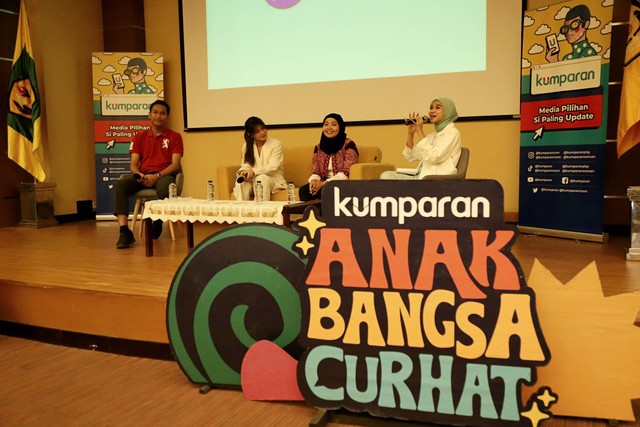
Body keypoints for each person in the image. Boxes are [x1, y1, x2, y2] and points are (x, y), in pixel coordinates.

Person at [113, 100, 184, 249]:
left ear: (167, 117)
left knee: (166, 186)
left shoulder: (175, 137)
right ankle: (124, 231)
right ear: (149, 115)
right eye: (155, 112)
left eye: (163, 113)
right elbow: (133, 164)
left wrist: (157, 176)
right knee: (121, 184)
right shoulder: (139, 137)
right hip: (143, 174)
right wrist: (139, 174)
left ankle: (157, 219)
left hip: (164, 174)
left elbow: (175, 164)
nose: (159, 116)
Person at [380, 98, 461, 180]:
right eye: (431, 107)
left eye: (437, 107)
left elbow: (434, 157)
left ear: (448, 112)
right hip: (421, 175)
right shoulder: (433, 135)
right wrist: (410, 134)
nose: (432, 111)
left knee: (387, 178)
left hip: (435, 179)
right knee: (386, 175)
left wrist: (420, 132)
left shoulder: (453, 133)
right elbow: (411, 156)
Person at [299, 113, 359, 201]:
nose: (329, 128)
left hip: (342, 182)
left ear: (341, 127)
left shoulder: (349, 145)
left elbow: (347, 171)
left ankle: (325, 214)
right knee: (304, 191)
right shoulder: (319, 147)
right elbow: (316, 170)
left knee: (326, 190)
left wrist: (324, 183)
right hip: (323, 182)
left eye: (334, 124)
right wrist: (314, 181)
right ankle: (311, 214)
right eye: (326, 124)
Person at [234, 116, 286, 201]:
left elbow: (273, 166)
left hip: (273, 179)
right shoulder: (246, 146)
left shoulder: (276, 144)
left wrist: (254, 172)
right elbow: (246, 164)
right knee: (240, 182)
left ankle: (261, 212)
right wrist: (244, 172)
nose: (262, 133)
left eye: (263, 129)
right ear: (250, 134)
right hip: (252, 178)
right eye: (257, 131)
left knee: (261, 179)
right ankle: (242, 212)